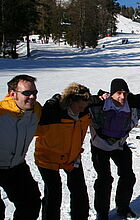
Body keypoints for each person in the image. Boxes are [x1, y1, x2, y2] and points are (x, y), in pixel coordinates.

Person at [89, 78, 140, 220]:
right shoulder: (100, 104)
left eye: (125, 93)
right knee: (104, 179)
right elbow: (78, 101)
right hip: (99, 146)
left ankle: (122, 207)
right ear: (111, 93)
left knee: (128, 176)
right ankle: (102, 213)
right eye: (119, 93)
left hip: (119, 145)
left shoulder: (131, 104)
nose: (122, 97)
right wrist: (96, 97)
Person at [35, 83, 93, 220]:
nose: (82, 110)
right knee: (54, 193)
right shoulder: (52, 112)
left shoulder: (84, 112)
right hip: (48, 158)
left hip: (72, 157)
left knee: (80, 192)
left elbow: (100, 100)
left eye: (84, 107)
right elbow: (32, 129)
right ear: (70, 101)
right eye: (79, 107)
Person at [0, 74, 41, 220]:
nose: (32, 97)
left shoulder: (36, 110)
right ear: (12, 94)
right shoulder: (2, 112)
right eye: (26, 93)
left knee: (31, 203)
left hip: (17, 166)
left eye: (34, 93)